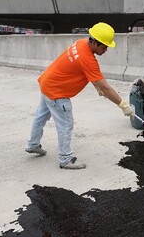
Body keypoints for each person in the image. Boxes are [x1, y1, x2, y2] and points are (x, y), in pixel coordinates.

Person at [25, 22, 134, 169]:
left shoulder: (81, 43)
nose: (106, 50)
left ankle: (32, 144)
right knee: (65, 125)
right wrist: (123, 105)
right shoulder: (88, 59)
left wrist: (97, 87)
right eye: (104, 46)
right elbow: (105, 87)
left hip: (48, 83)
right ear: (94, 43)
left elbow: (92, 78)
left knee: (40, 116)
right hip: (57, 92)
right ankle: (65, 159)